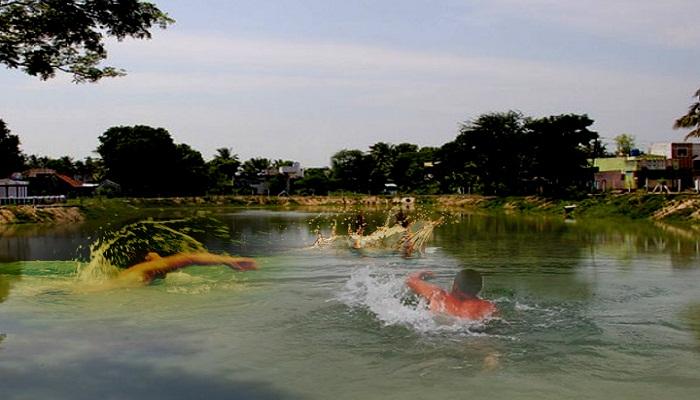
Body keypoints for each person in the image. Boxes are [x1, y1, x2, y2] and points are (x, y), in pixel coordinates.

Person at [114, 251, 257, 286]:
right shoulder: (143, 269)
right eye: (158, 259)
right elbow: (189, 258)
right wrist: (228, 261)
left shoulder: (125, 276)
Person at [406, 269, 496, 320]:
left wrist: (421, 273)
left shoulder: (439, 296)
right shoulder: (487, 307)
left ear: (455, 286)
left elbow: (410, 280)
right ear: (479, 288)